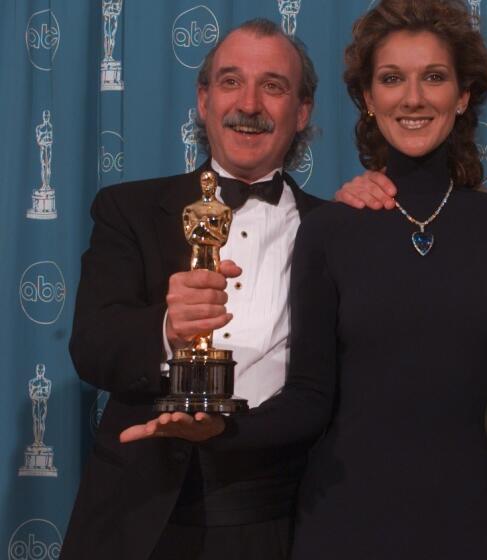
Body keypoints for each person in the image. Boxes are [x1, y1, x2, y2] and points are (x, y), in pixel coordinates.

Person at [121, 3, 487, 560]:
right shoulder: (329, 230)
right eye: (391, 79)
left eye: (434, 77)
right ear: (367, 97)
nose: (413, 98)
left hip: (466, 526)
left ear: (462, 96)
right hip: (340, 527)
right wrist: (219, 429)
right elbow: (310, 399)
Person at [61, 19, 323, 560]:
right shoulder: (127, 210)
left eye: (273, 86)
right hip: (139, 512)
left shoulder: (340, 230)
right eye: (230, 82)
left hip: (273, 512)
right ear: (203, 99)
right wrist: (165, 328)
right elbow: (91, 347)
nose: (248, 104)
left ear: (302, 112)